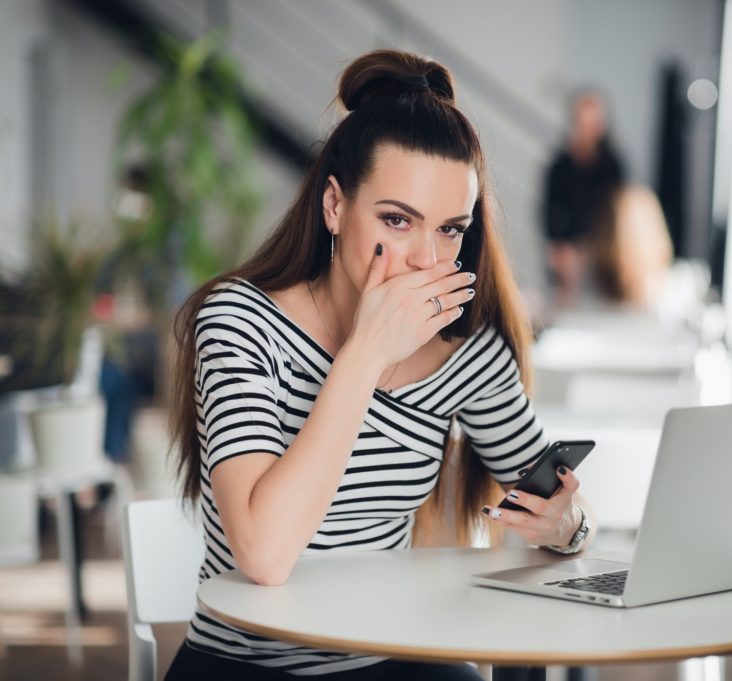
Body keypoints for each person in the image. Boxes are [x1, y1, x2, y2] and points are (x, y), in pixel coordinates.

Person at [165, 50, 594, 680]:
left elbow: (555, 502)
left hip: (384, 657)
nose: (427, 258)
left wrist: (568, 527)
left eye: (451, 230)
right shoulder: (239, 321)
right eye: (397, 220)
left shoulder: (465, 356)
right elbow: (262, 553)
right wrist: (365, 354)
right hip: (244, 663)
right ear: (335, 207)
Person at [541, 90, 624, 308]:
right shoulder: (559, 166)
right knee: (565, 264)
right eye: (583, 123)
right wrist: (560, 247)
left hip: (605, 248)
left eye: (593, 124)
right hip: (570, 250)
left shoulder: (613, 166)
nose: (588, 130)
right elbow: (549, 214)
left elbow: (619, 215)